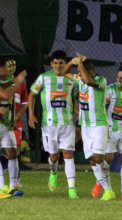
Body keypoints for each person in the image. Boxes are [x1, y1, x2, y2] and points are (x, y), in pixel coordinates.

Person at [63, 53, 115, 200]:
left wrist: (80, 64)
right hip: (85, 125)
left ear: (91, 70)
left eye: (80, 71)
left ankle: (107, 187)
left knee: (99, 158)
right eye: (78, 72)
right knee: (92, 160)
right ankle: (108, 190)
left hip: (99, 124)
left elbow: (88, 80)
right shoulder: (80, 79)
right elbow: (64, 72)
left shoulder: (101, 81)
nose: (78, 74)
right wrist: (72, 62)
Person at [28, 50, 79, 199]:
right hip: (49, 125)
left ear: (65, 64)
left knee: (68, 154)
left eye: (61, 63)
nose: (57, 66)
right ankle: (53, 172)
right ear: (51, 64)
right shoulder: (43, 78)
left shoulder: (71, 80)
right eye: (55, 63)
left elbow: (74, 98)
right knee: (54, 156)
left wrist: (77, 111)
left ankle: (72, 189)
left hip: (67, 123)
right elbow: (32, 95)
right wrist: (31, 115)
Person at [91, 65, 122, 199]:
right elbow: (101, 109)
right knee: (107, 158)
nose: (119, 80)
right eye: (118, 77)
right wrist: (103, 129)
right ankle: (99, 182)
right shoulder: (110, 90)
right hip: (110, 129)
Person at [0, 56, 26, 199]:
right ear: (1, 68)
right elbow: (6, 94)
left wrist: (15, 81)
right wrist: (18, 82)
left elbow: (4, 87)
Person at [7, 58, 28, 188]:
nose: (11, 67)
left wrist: (16, 116)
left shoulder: (21, 84)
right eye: (9, 65)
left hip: (15, 123)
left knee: (16, 151)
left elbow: (25, 104)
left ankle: (15, 180)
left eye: (14, 65)